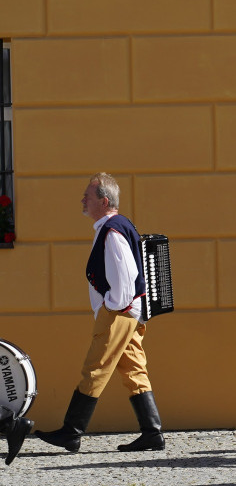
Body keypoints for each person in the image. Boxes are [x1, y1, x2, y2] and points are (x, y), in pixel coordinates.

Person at [37, 173, 165, 453]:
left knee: (95, 368)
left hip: (120, 312)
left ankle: (71, 432)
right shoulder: (117, 226)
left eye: (88, 195)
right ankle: (152, 433)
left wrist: (111, 306)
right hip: (130, 312)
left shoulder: (112, 231)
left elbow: (125, 277)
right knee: (134, 369)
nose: (82, 199)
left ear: (104, 201)